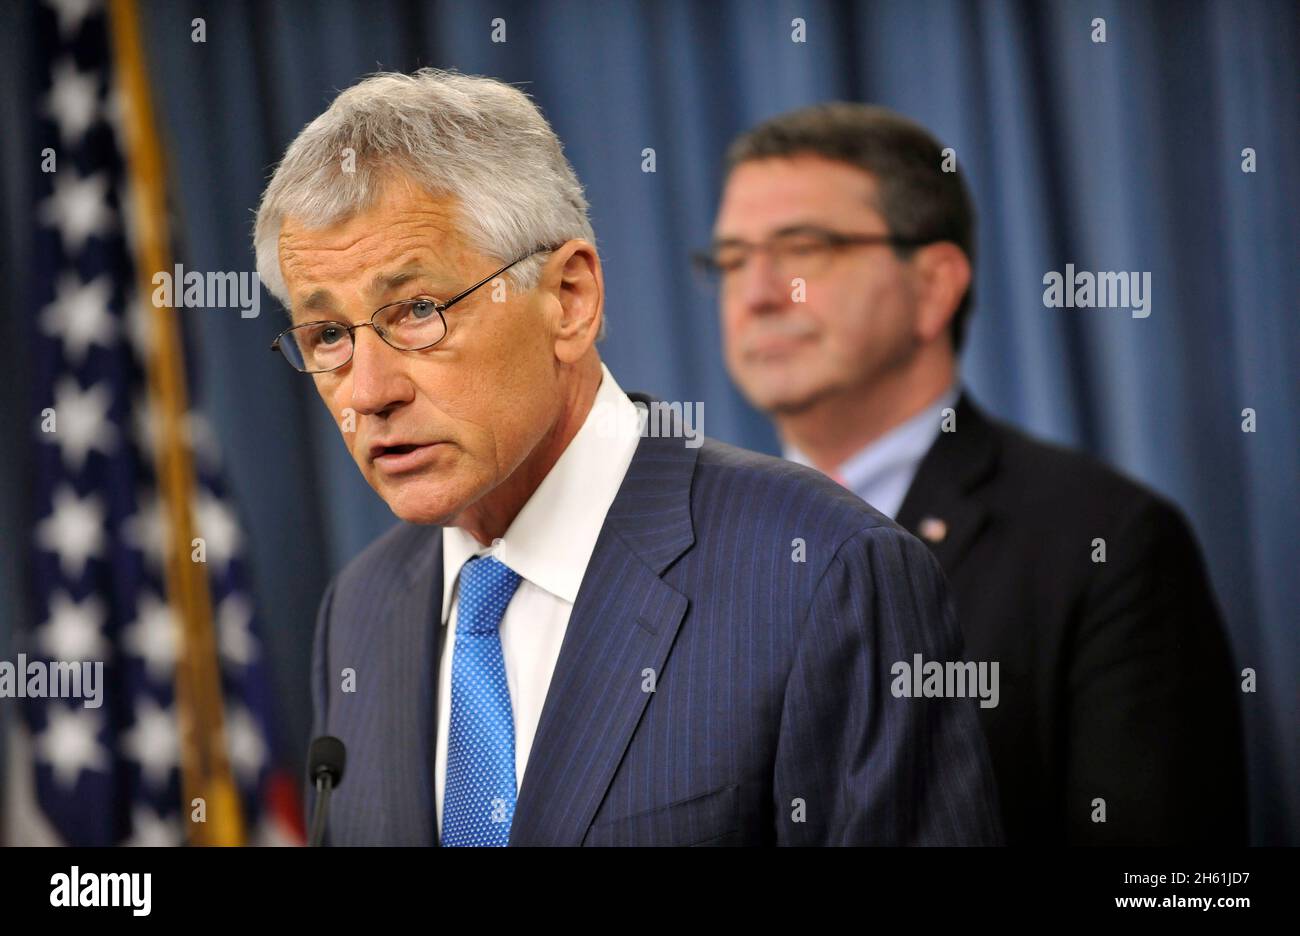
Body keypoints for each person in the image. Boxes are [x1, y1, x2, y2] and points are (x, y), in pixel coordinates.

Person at [253, 71, 1002, 846]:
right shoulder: (360, 609)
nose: (368, 392)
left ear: (569, 299)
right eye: (328, 336)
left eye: (418, 311)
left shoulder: (822, 571)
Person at [706, 102, 1247, 845]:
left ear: (934, 285)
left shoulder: (1106, 542)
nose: (758, 294)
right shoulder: (694, 544)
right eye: (732, 260)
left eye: (804, 248)